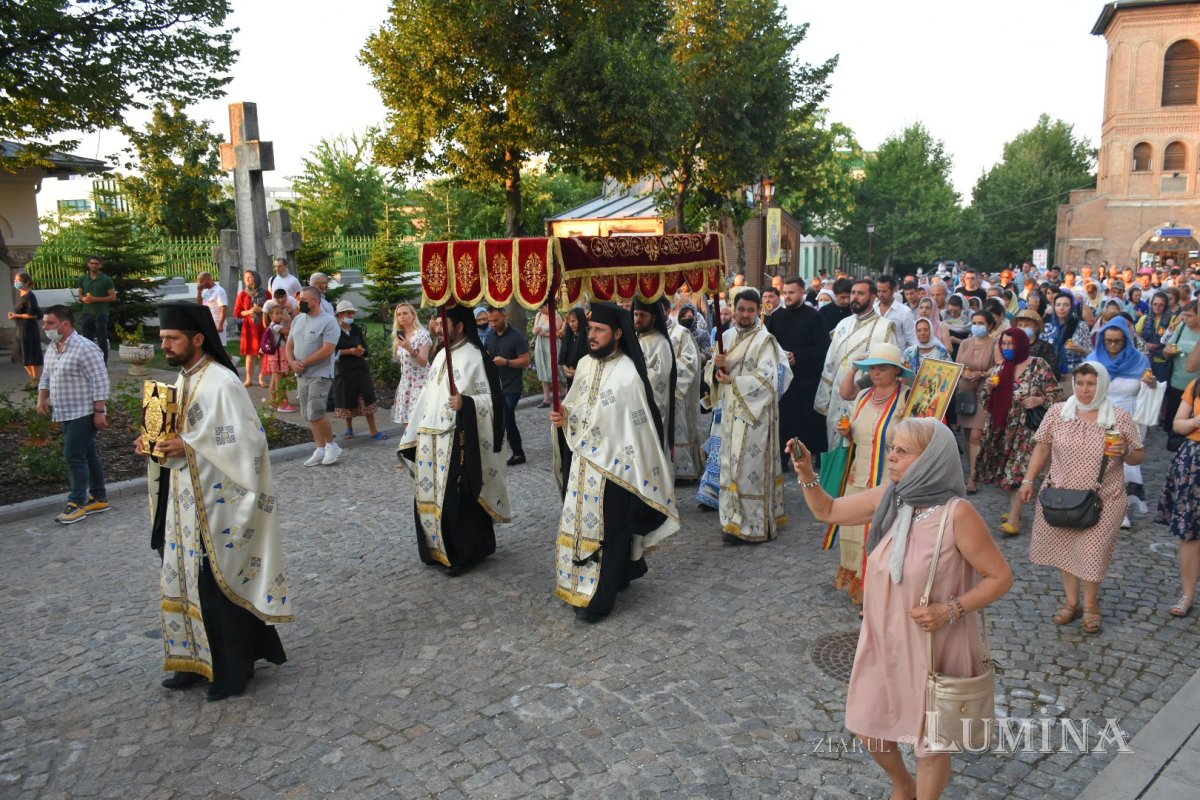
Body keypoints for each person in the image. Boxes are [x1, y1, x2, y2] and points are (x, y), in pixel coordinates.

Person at [791, 418, 1012, 800]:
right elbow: (827, 511)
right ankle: (903, 786)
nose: (891, 457)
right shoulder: (892, 497)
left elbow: (999, 577)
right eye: (892, 447)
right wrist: (808, 472)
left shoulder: (957, 514)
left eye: (902, 451)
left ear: (931, 460)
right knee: (866, 723)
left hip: (936, 643)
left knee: (932, 742)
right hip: (884, 638)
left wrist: (952, 609)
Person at [136, 301, 291, 701]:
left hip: (216, 505)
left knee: (213, 585)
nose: (165, 346)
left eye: (172, 338)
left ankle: (231, 669)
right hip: (184, 500)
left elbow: (249, 441)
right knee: (185, 580)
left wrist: (185, 447)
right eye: (163, 339)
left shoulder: (221, 382)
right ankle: (192, 660)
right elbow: (181, 435)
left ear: (197, 339)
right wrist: (153, 443)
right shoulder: (184, 379)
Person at [549, 302, 678, 622]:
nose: (591, 336)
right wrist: (564, 416)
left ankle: (598, 600)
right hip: (584, 466)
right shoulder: (585, 365)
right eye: (590, 329)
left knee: (610, 531)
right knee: (580, 526)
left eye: (598, 331)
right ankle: (580, 581)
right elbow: (578, 408)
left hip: (615, 470)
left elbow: (634, 428)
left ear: (618, 334)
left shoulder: (628, 375)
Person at [1021, 362, 1143, 634]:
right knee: (1066, 549)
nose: (1085, 390)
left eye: (1091, 383)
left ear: (1102, 385)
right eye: (1080, 383)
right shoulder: (1057, 412)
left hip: (1104, 498)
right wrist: (1028, 481)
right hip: (1061, 495)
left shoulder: (1118, 416)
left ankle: (1091, 606)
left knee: (1092, 551)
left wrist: (1125, 452)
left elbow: (1138, 456)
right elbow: (1042, 449)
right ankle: (1072, 602)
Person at [399, 304, 511, 575]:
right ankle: (436, 552)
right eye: (437, 321)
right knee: (429, 496)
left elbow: (493, 402)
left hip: (457, 440)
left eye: (443, 322)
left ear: (459, 326)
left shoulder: (475, 357)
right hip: (430, 438)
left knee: (456, 500)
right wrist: (412, 433)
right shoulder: (439, 357)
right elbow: (428, 396)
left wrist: (467, 402)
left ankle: (464, 553)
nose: (437, 326)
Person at [827, 343, 912, 605]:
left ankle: (882, 589)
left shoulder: (907, 398)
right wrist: (847, 432)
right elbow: (856, 428)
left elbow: (916, 435)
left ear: (897, 371)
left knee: (885, 534)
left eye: (882, 367)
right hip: (858, 476)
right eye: (872, 367)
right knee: (853, 532)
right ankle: (860, 586)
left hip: (889, 480)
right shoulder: (863, 396)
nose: (876, 372)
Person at [711, 290, 792, 543]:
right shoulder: (726, 336)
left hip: (755, 417)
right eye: (741, 309)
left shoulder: (764, 340)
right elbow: (713, 376)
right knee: (729, 466)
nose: (745, 315)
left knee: (748, 470)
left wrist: (732, 379)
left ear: (758, 311)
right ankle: (731, 520)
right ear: (733, 310)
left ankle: (752, 526)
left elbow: (768, 381)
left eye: (751, 310)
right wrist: (715, 366)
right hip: (731, 414)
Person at [975, 328, 1061, 535]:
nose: (1006, 348)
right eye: (1003, 344)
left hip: (1026, 429)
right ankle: (1015, 509)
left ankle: (1014, 519)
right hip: (1002, 428)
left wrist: (1039, 399)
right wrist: (988, 389)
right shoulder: (999, 368)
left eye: (1010, 344)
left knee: (1018, 471)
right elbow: (987, 404)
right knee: (1005, 471)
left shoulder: (1038, 365)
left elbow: (1056, 394)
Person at [36, 305, 110, 524]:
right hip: (64, 411)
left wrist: (99, 411)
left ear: (65, 324)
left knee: (72, 456)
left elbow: (100, 381)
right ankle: (99, 496)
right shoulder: (53, 347)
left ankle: (76, 503)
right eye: (45, 323)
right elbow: (46, 376)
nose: (45, 327)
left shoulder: (85, 348)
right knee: (87, 453)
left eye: (50, 323)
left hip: (84, 411)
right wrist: (42, 398)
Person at [817, 279, 898, 447]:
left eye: (860, 294)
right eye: (853, 293)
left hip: (866, 397)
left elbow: (890, 367)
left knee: (860, 451)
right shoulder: (843, 324)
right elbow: (830, 362)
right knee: (835, 447)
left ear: (873, 297)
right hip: (837, 398)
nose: (855, 297)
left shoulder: (885, 327)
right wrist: (825, 396)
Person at [1089, 317, 1154, 511]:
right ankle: (1097, 502)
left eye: (1117, 341)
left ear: (1126, 339)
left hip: (1129, 417)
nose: (1112, 345)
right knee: (1101, 462)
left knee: (1125, 462)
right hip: (1101, 415)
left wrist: (1151, 385)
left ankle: (1121, 507)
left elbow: (1149, 388)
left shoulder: (1139, 360)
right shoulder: (1093, 359)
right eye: (1108, 341)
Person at [767, 276, 830, 470]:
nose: (787, 296)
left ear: (802, 292)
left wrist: (799, 357)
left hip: (806, 381)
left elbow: (823, 348)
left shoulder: (814, 317)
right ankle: (784, 459)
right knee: (784, 421)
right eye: (784, 293)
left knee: (808, 421)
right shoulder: (776, 317)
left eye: (791, 293)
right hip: (784, 382)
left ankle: (813, 457)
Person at [1156, 374, 1200, 617]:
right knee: (1190, 532)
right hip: (1194, 461)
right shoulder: (1196, 385)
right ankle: (1187, 595)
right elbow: (1177, 425)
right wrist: (1195, 421)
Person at [287, 286, 342, 467]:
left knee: (316, 411)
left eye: (303, 299)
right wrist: (292, 362)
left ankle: (331, 445)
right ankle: (320, 449)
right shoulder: (297, 320)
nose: (299, 302)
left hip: (320, 374)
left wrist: (303, 362)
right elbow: (289, 344)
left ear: (315, 301)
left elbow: (327, 350)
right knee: (308, 414)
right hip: (301, 373)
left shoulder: (328, 322)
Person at [485, 307, 531, 466]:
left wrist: (506, 362)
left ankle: (517, 452)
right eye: (490, 321)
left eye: (496, 320)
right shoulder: (490, 336)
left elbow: (525, 361)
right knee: (502, 419)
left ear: (505, 316)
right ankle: (505, 451)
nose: (493, 324)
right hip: (495, 386)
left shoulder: (516, 337)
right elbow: (487, 354)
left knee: (506, 415)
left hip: (512, 386)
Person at [332, 301, 384, 440]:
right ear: (340, 315)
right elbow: (330, 351)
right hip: (343, 370)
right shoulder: (333, 330)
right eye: (348, 313)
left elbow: (365, 346)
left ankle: (373, 430)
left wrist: (363, 351)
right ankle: (349, 428)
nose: (351, 315)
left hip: (360, 370)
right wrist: (348, 351)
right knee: (347, 400)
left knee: (367, 399)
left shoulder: (356, 329)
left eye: (352, 313)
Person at [633, 297, 676, 453]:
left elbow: (659, 378)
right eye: (636, 314)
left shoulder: (661, 343)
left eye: (642, 315)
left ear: (654, 317)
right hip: (634, 405)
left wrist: (632, 379)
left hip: (651, 407)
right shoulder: (636, 339)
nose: (637, 319)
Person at [666, 306, 703, 480]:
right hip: (653, 394)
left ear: (666, 310)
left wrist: (666, 374)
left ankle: (684, 470)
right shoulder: (643, 335)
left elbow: (690, 360)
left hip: (677, 392)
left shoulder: (680, 333)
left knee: (681, 426)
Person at [1161, 302, 1200, 447]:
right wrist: (1168, 351)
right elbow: (1166, 348)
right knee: (1175, 423)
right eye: (1184, 315)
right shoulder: (1182, 328)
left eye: (1190, 316)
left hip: (1196, 389)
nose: (1186, 319)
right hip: (1176, 383)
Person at [390, 302, 432, 430]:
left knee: (418, 422)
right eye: (399, 314)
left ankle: (421, 449)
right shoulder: (400, 335)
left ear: (413, 316)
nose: (402, 316)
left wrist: (410, 349)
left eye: (405, 313)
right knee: (407, 424)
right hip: (406, 383)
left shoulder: (422, 334)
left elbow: (423, 362)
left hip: (420, 383)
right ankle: (410, 449)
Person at [1043, 292, 1092, 381]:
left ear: (1072, 307)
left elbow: (1091, 353)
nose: (1061, 308)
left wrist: (1081, 350)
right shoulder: (1047, 327)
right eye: (1058, 305)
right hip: (1051, 376)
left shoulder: (1080, 326)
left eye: (1066, 305)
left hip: (1074, 375)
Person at [77, 255, 116, 362]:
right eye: (92, 263)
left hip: (101, 314)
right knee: (86, 341)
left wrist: (95, 299)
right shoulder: (83, 279)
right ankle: (89, 363)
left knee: (102, 340)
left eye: (96, 264)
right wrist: (83, 298)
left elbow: (112, 297)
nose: (94, 265)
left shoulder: (106, 280)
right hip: (86, 313)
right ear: (88, 264)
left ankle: (103, 363)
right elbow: (80, 293)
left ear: (100, 265)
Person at [9, 270, 43, 388]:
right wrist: (15, 316)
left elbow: (32, 314)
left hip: (29, 329)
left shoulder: (30, 296)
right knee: (21, 354)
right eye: (15, 280)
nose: (16, 282)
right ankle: (33, 379)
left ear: (27, 282)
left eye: (18, 281)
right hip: (20, 328)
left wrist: (16, 315)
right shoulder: (20, 295)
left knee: (32, 355)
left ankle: (36, 380)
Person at [234, 270, 268, 387]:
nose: (247, 280)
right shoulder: (243, 295)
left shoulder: (266, 293)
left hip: (263, 326)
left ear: (256, 279)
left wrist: (262, 310)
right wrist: (250, 311)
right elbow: (237, 313)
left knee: (263, 353)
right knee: (251, 354)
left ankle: (261, 379)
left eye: (249, 277)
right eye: (245, 278)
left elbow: (273, 309)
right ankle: (249, 379)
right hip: (250, 328)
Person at [261, 303, 296, 413]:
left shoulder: (273, 326)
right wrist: (289, 320)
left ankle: (274, 402)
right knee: (279, 381)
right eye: (277, 314)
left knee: (275, 381)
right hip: (278, 356)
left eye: (281, 313)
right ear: (271, 316)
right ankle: (282, 404)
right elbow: (291, 333)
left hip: (275, 356)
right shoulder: (276, 327)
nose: (280, 316)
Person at [1136, 292, 1175, 383]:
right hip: (1146, 360)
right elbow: (1136, 337)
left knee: (1161, 388)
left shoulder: (1172, 319)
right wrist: (1145, 344)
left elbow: (1175, 339)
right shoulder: (1144, 318)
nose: (1157, 307)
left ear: (1166, 306)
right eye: (1155, 304)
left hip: (1163, 361)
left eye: (1161, 305)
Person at [875, 275, 916, 351]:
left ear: (893, 290)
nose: (881, 294)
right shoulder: (873, 310)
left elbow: (912, 340)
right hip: (874, 356)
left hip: (896, 359)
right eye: (878, 291)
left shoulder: (905, 312)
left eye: (884, 291)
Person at [1013, 309, 1058, 376]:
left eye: (1027, 325)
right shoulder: (1012, 345)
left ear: (1036, 327)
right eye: (1020, 325)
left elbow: (1053, 370)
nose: (1022, 328)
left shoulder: (1045, 347)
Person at [559, 307, 589, 389]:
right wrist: (565, 369)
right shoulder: (569, 335)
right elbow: (563, 355)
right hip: (570, 376)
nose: (571, 324)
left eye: (573, 321)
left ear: (581, 320)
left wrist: (578, 372)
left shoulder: (588, 337)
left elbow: (591, 359)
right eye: (569, 321)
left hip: (585, 377)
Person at [196, 272, 229, 346]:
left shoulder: (219, 290)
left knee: (219, 346)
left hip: (217, 322)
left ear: (208, 279)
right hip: (209, 321)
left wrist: (220, 324)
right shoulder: (207, 292)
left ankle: (229, 358)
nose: (200, 284)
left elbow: (223, 307)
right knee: (212, 346)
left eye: (201, 281)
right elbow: (200, 305)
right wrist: (199, 291)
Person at [532, 303, 555, 408]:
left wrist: (545, 334)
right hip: (540, 345)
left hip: (551, 345)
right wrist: (536, 331)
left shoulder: (555, 315)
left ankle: (562, 391)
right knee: (542, 370)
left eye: (543, 307)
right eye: (540, 307)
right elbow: (534, 330)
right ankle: (546, 399)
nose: (541, 309)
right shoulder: (538, 315)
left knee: (554, 369)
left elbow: (559, 333)